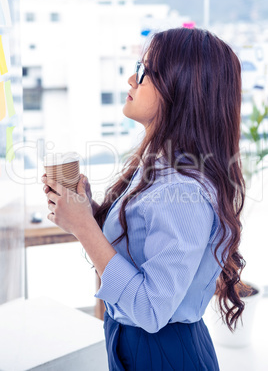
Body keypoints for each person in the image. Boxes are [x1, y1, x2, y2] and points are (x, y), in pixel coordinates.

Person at [42, 27, 247, 370]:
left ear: (179, 89)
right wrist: (87, 214)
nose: (130, 79)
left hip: (162, 352)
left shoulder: (182, 189)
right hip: (133, 341)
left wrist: (84, 229)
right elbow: (139, 253)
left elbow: (150, 309)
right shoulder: (162, 166)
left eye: (143, 71)